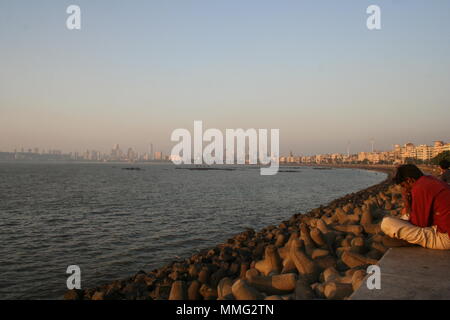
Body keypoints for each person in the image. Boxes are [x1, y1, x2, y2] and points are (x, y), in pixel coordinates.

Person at [381, 164, 450, 250]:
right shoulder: (430, 180)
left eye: (403, 186)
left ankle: (412, 242)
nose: (405, 189)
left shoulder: (420, 188)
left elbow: (420, 224)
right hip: (441, 227)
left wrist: (406, 200)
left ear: (409, 180)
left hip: (446, 238)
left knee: (386, 223)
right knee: (404, 217)